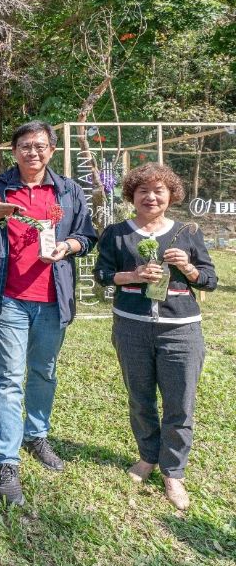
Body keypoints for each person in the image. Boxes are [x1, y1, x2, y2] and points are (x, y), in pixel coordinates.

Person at [0, 121, 97, 506]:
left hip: (53, 298)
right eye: (25, 146)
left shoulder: (68, 191)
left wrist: (70, 245)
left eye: (40, 146)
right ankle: (7, 461)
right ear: (14, 151)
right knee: (8, 377)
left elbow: (88, 235)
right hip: (9, 297)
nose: (33, 153)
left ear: (52, 150)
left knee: (44, 371)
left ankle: (36, 435)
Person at [93, 163, 216, 510]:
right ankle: (148, 457)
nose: (151, 196)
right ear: (132, 195)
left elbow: (209, 279)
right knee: (140, 398)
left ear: (171, 195)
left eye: (159, 190)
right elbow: (102, 274)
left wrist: (189, 268)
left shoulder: (187, 232)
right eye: (143, 190)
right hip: (131, 327)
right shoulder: (117, 233)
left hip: (181, 331)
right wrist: (131, 275)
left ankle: (173, 472)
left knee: (180, 403)